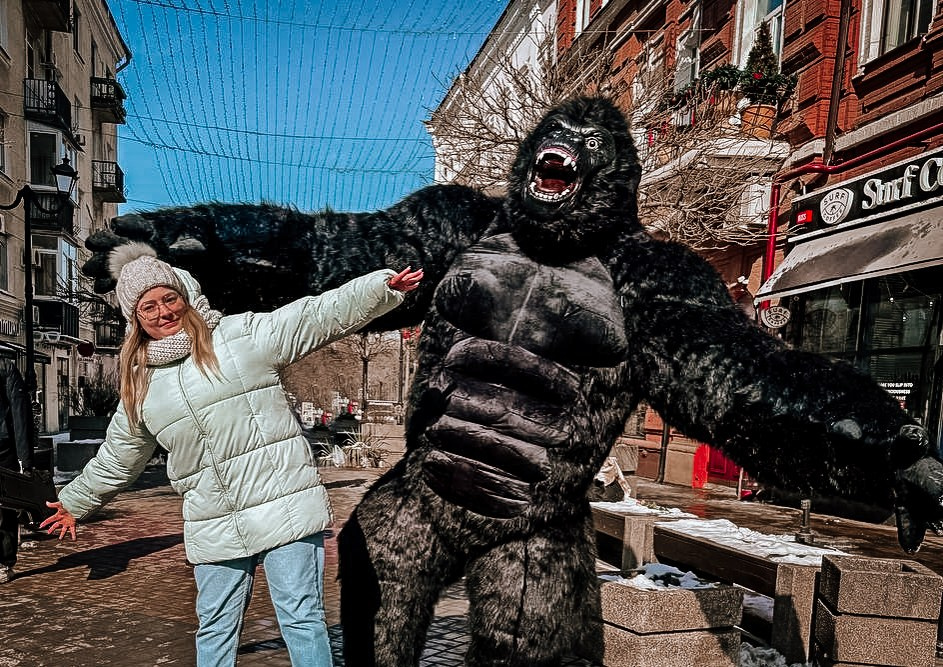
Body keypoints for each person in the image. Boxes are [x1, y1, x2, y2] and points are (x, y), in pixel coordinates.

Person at [40, 242, 422, 666]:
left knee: (301, 619)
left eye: (170, 299)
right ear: (136, 320)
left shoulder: (241, 336)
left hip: (284, 507)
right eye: (149, 307)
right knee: (216, 630)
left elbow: (315, 316)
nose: (164, 312)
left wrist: (381, 288)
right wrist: (76, 501)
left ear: (185, 296)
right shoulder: (140, 384)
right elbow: (119, 455)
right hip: (214, 520)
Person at [0, 361, 33, 584]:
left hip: (3, 448)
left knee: (5, 506)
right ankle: (3, 563)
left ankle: (4, 562)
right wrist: (25, 458)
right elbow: (20, 414)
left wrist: (25, 458)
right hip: (3, 448)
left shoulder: (5, 368)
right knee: (4, 507)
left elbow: (19, 414)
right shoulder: (5, 367)